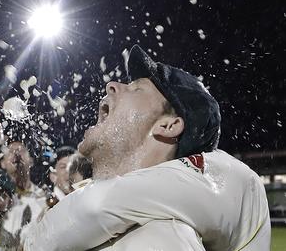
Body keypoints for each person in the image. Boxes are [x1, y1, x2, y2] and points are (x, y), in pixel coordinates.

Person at [22, 45, 270, 250]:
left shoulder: (160, 238)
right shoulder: (111, 221)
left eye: (136, 88)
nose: (112, 86)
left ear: (168, 125)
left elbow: (96, 206)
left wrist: (30, 241)